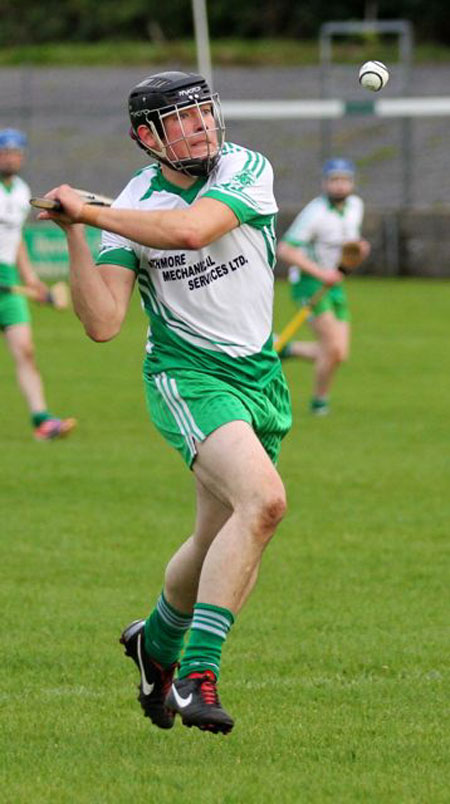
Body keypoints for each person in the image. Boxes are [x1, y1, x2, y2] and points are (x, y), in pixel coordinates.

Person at [38, 71, 292, 734]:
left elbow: (189, 232)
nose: (202, 127)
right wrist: (76, 234)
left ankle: (154, 646)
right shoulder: (130, 204)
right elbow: (102, 323)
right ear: (146, 137)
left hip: (259, 377)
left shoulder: (245, 168)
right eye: (182, 119)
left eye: (205, 112)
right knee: (263, 503)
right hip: (189, 378)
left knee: (216, 537)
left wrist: (91, 211)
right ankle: (196, 677)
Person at [277, 158, 370, 416]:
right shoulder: (314, 213)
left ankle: (285, 348)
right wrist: (321, 273)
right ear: (324, 183)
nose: (340, 186)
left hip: (335, 281)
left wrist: (358, 251)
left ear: (352, 183)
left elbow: (349, 243)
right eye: (334, 180)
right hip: (309, 283)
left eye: (344, 180)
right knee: (332, 348)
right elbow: (286, 249)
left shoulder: (355, 206)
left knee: (340, 353)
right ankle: (319, 402)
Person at [0, 128, 76, 440]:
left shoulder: (21, 191)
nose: (11, 158)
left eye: (16, 153)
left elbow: (14, 239)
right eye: (6, 152)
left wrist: (31, 280)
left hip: (8, 282)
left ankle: (42, 421)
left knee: (25, 350)